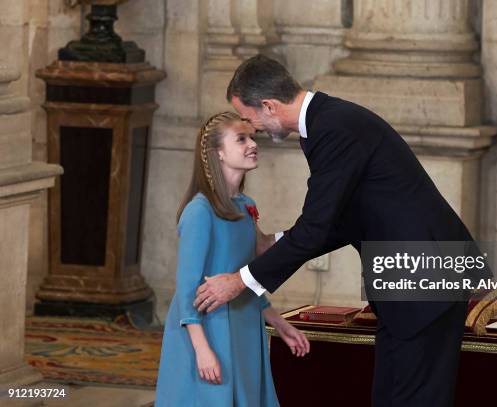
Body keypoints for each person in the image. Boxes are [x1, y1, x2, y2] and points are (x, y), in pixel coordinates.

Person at [193, 55, 474, 406]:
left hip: (423, 278)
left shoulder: (333, 128)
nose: (255, 130)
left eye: (251, 119)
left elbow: (316, 226)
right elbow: (342, 220)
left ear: (268, 105)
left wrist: (238, 281)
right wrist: (275, 243)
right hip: (411, 280)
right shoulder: (327, 122)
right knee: (391, 396)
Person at [155, 111, 310, 407]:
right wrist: (202, 350)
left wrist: (279, 323)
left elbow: (248, 276)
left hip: (244, 323)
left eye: (252, 137)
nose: (253, 144)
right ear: (219, 154)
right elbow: (188, 289)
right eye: (241, 139)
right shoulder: (199, 212)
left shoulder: (246, 206)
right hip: (206, 328)